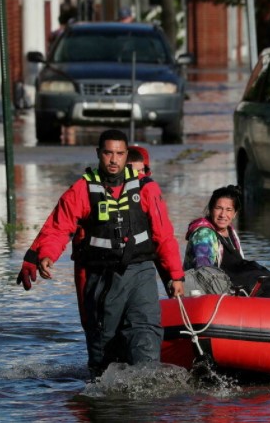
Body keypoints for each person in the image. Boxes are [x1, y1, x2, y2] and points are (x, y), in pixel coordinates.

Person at [16, 129, 185, 378]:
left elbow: (164, 234)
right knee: (104, 347)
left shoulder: (147, 188)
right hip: (101, 278)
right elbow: (58, 226)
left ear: (127, 155)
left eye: (119, 154)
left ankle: (148, 394)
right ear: (98, 154)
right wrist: (47, 255)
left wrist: (175, 275)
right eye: (108, 153)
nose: (114, 160)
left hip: (140, 273)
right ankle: (105, 399)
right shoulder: (82, 189)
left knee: (146, 332)